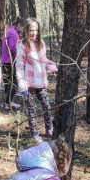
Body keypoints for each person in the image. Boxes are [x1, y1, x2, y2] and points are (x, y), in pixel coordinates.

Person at [16, 17, 58, 145]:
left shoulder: (41, 44)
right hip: (29, 84)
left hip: (41, 82)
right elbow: (19, 67)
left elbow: (43, 59)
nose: (34, 33)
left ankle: (49, 128)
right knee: (32, 110)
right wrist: (23, 87)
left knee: (47, 106)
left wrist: (51, 67)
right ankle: (35, 134)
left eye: (36, 30)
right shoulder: (22, 46)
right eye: (31, 30)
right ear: (26, 30)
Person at [1, 16, 25, 110]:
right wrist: (21, 56)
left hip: (6, 61)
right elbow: (13, 48)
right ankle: (9, 103)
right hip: (10, 61)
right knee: (14, 82)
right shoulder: (13, 33)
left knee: (8, 82)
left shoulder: (9, 31)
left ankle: (8, 100)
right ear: (20, 25)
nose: (24, 30)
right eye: (24, 28)